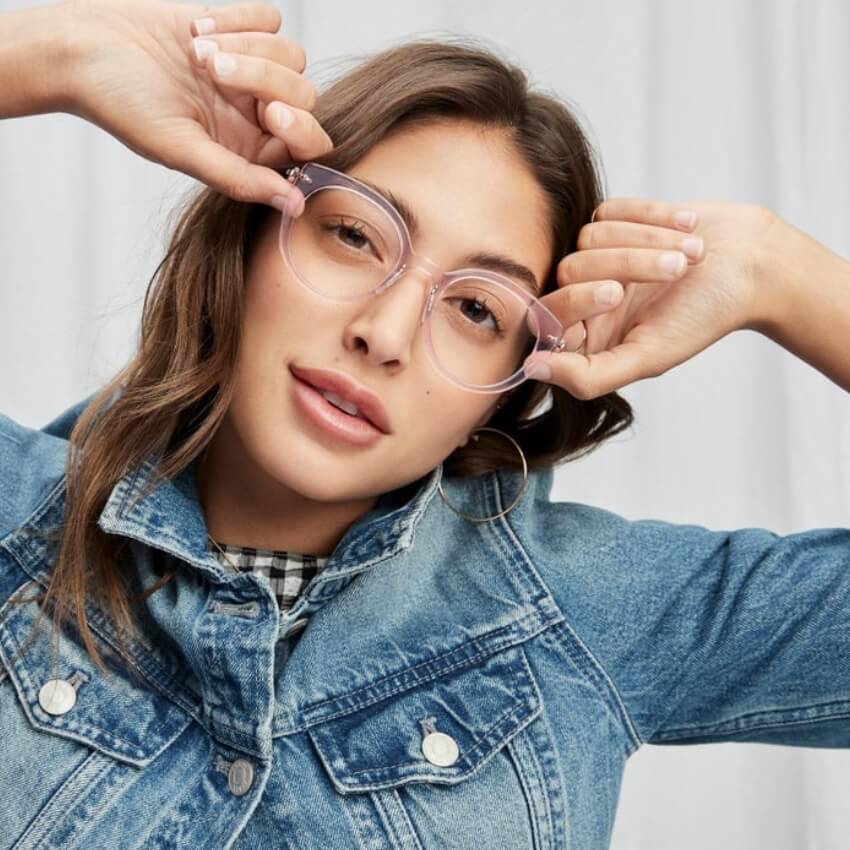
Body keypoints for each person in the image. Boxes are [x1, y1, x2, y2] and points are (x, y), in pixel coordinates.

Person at [0, 1, 847, 848]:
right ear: (251, 236)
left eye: (477, 309)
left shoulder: (584, 611)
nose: (386, 333)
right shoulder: (19, 525)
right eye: (356, 237)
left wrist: (783, 274)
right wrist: (50, 54)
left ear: (508, 389)